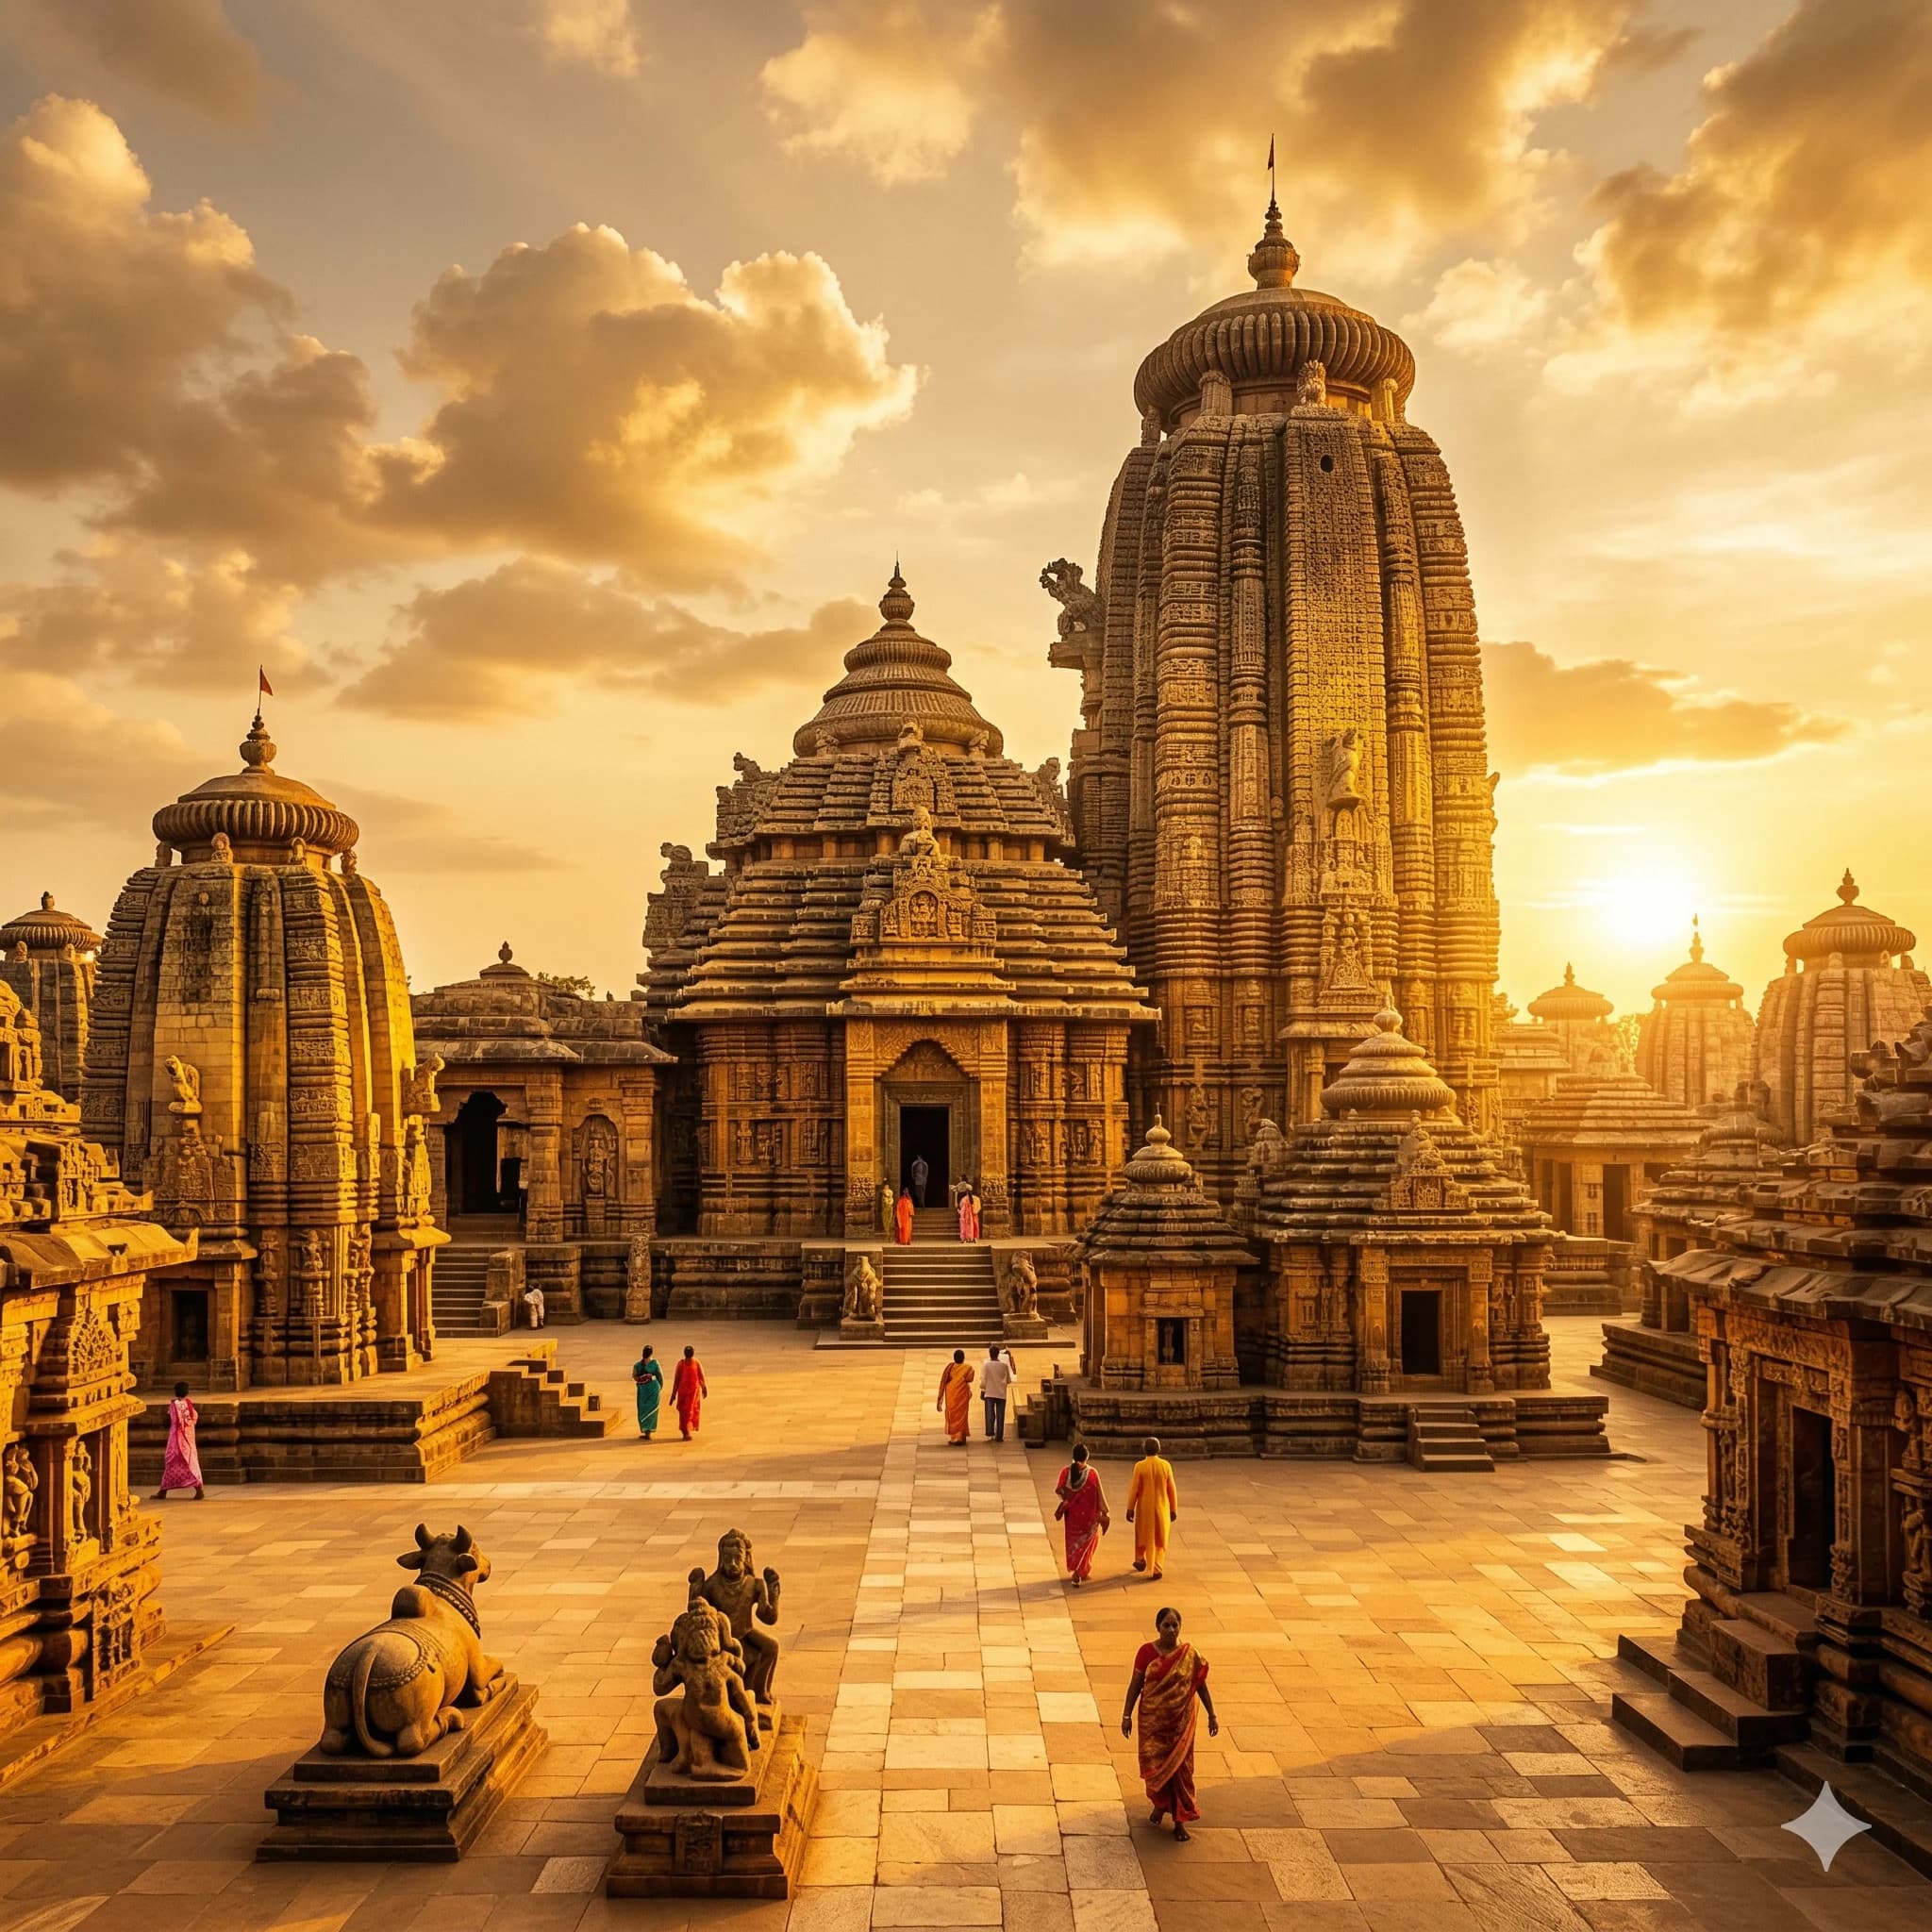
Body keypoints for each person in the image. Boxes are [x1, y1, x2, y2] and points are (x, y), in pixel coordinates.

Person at [1122, 1607, 1218, 1840]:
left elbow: (1201, 1686)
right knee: (1156, 1769)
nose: (1171, 1629)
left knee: (1180, 1771)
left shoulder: (1190, 1654)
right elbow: (1136, 1685)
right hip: (1153, 1724)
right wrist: (1126, 1716)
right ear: (1158, 1627)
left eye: (1175, 1625)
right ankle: (1160, 1805)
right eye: (1167, 1625)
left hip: (1180, 1725)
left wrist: (1212, 1715)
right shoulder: (1146, 1652)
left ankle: (1179, 1821)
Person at [1054, 1444, 1108, 1585]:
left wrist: (1068, 1500)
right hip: (1090, 1517)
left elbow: (1059, 1490)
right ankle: (1079, 1571)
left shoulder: (1066, 1472)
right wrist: (1105, 1511)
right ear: (1087, 1456)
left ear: (1073, 1456)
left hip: (1072, 1516)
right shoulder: (1092, 1473)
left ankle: (1077, 1569)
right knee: (1088, 1543)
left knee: (1074, 1544)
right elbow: (1100, 1494)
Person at [1126, 1435, 1179, 1580]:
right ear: (1159, 1449)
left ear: (1144, 1449)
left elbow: (1134, 1489)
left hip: (1144, 1508)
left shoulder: (1140, 1466)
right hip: (1162, 1507)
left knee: (1142, 1534)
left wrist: (1130, 1508)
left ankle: (1139, 1558)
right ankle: (1157, 1568)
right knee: (1161, 1539)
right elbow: (1171, 1489)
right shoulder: (1165, 1466)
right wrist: (1173, 1509)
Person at [152, 1381, 205, 1501]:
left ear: (175, 1392)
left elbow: (175, 1420)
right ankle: (199, 1489)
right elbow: (194, 1417)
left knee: (170, 1462)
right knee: (191, 1463)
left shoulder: (174, 1405)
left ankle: (163, 1491)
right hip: (189, 1440)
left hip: (176, 1439)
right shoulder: (189, 1404)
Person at [937, 1348, 974, 1445]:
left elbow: (944, 1381)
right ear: (963, 1358)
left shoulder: (950, 1368)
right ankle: (960, 1436)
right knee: (962, 1416)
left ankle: (955, 1437)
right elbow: (970, 1378)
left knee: (953, 1416)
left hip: (952, 1395)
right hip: (962, 1396)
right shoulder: (968, 1368)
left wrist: (940, 1398)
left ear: (954, 1358)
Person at [672, 1344, 708, 1441]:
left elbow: (701, 1376)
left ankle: (687, 1431)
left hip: (693, 1393)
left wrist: (704, 1388)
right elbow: (676, 1380)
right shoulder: (681, 1364)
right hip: (683, 1393)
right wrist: (673, 1395)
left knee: (690, 1411)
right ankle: (685, 1431)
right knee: (684, 1412)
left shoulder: (696, 1363)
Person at [979, 1343, 1012, 1441]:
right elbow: (1009, 1380)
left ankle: (990, 1431)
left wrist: (983, 1390)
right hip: (1001, 1393)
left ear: (990, 1354)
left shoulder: (986, 1365)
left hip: (989, 1392)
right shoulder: (1004, 1366)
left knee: (990, 1413)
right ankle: (999, 1436)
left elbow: (983, 1380)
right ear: (998, 1354)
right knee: (1000, 1415)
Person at [633, 1344, 663, 1441]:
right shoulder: (655, 1363)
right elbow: (660, 1376)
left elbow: (634, 1376)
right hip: (653, 1388)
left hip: (643, 1390)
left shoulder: (637, 1365)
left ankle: (646, 1431)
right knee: (652, 1410)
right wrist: (660, 1387)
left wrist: (642, 1379)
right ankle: (649, 1431)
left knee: (643, 1409)